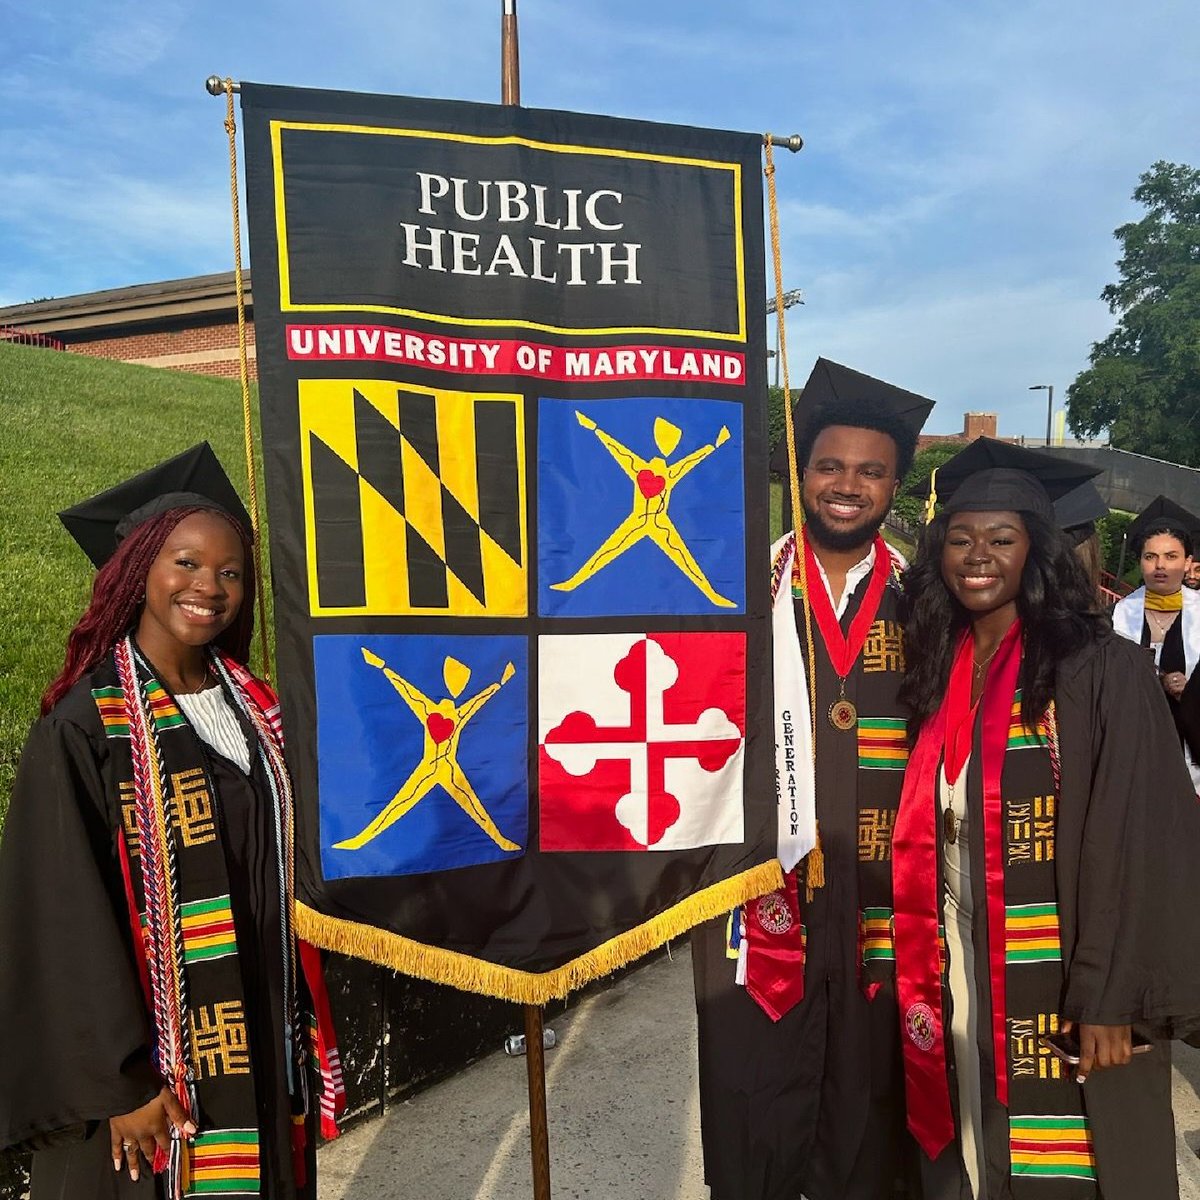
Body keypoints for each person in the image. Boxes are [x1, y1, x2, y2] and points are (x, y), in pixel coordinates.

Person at [0, 445, 342, 1198]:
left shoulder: (259, 709)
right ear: (138, 572)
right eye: (186, 563)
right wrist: (118, 1081)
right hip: (151, 1076)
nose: (208, 588)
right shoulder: (87, 727)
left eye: (230, 572)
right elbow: (60, 914)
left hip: (259, 1037)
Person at [893, 440, 1200, 1199]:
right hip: (960, 948)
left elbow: (1142, 840)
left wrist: (1112, 998)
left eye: (1002, 539)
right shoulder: (939, 662)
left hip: (1066, 962)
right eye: (960, 539)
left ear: (1036, 552)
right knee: (976, 1138)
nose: (978, 556)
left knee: (1072, 1160)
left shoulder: (1099, 666)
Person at [692, 368, 932, 1200]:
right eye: (830, 465)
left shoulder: (928, 600)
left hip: (884, 884)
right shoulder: (735, 591)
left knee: (871, 1088)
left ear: (895, 487)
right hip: (754, 880)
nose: (847, 486)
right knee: (751, 1078)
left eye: (871, 471)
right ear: (801, 474)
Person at [1111, 495, 1200, 791]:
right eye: (1150, 557)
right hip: (1133, 750)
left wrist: (1192, 691)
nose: (1160, 566)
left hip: (1191, 752)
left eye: (1171, 556)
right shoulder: (1116, 615)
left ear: (1188, 562)